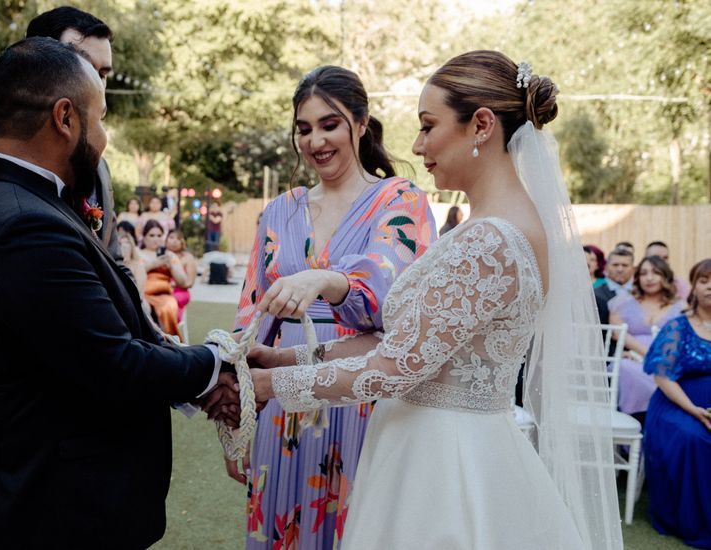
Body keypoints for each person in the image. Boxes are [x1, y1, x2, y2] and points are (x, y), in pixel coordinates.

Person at [244, 51, 622, 549]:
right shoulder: (488, 230)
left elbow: (395, 368)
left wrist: (271, 385)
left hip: (445, 463)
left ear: (481, 125)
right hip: (432, 442)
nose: (418, 144)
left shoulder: (492, 241)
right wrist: (288, 355)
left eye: (428, 125)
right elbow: (404, 343)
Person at [0, 38, 234, 549]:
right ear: (65, 118)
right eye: (99, 118)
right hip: (54, 511)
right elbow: (113, 364)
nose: (103, 138)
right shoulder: (25, 224)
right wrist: (217, 363)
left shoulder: (16, 200)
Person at [230, 65, 435, 549]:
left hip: (361, 391)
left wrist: (327, 278)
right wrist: (238, 418)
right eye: (304, 129)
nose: (315, 140)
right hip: (281, 398)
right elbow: (251, 316)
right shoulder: (280, 211)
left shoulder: (400, 200)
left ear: (361, 123)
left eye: (330, 124)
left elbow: (393, 293)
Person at [0, 6, 120, 261]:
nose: (95, 82)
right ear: (41, 59)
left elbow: (113, 256)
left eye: (102, 73)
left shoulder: (99, 162)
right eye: (84, 64)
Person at [642, 258, 711, 548]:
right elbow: (663, 377)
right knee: (695, 439)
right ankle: (692, 520)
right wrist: (694, 410)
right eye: (705, 280)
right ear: (693, 287)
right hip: (677, 406)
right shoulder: (678, 327)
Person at [608, 256, 684, 417]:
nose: (649, 278)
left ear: (665, 276)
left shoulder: (681, 306)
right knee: (624, 367)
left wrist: (656, 357)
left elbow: (682, 337)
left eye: (655, 273)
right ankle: (633, 418)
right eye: (643, 273)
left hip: (667, 359)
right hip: (633, 357)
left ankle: (656, 417)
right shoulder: (622, 302)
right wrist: (645, 354)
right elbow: (617, 333)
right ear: (637, 278)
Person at [139, 219, 187, 340]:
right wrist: (153, 264)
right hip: (142, 293)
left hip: (164, 294)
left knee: (167, 306)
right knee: (141, 305)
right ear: (144, 237)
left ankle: (168, 342)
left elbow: (182, 281)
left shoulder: (170, 255)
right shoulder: (137, 253)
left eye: (159, 235)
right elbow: (131, 274)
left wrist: (171, 266)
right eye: (152, 235)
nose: (156, 238)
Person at [594, 247, 635, 325]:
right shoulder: (595, 294)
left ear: (633, 269)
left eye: (625, 265)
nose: (620, 269)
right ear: (606, 268)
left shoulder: (643, 292)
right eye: (615, 265)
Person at [166, 229, 197, 321]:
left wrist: (174, 284)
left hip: (179, 292)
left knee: (166, 304)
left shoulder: (188, 258)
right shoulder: (160, 255)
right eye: (171, 237)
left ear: (182, 242)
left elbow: (190, 283)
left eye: (178, 238)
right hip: (162, 290)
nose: (175, 241)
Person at [118, 231, 147, 296]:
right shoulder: (114, 265)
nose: (124, 246)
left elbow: (139, 291)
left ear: (132, 246)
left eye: (127, 243)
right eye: (120, 243)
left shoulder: (138, 265)